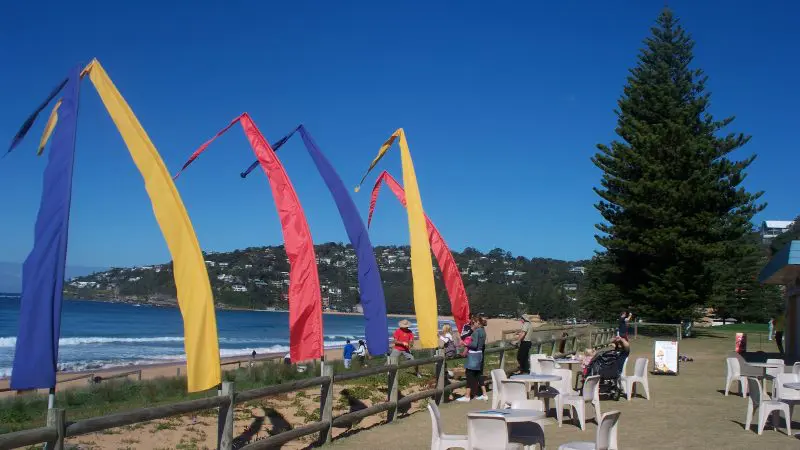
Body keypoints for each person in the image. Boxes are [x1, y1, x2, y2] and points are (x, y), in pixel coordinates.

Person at [457, 315, 488, 402]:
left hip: (473, 356)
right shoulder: (483, 331)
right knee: (478, 374)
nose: (472, 325)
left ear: (477, 322)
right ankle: (484, 394)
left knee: (469, 375)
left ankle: (467, 396)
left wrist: (465, 344)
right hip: (479, 354)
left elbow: (474, 345)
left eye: (473, 323)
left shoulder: (476, 332)